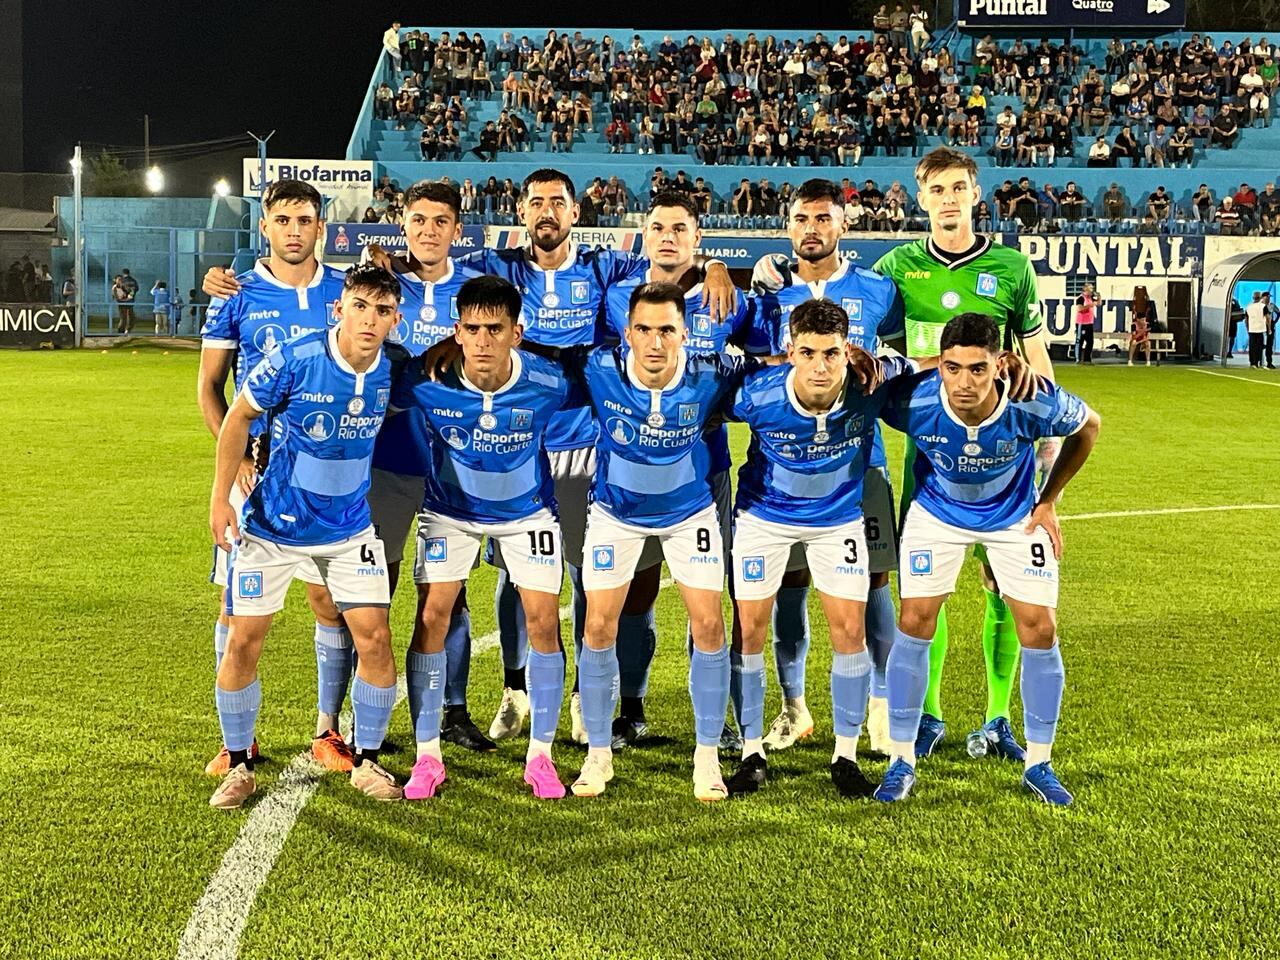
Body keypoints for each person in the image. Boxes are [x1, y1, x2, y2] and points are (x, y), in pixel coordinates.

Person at [449, 169, 735, 746]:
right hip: (517, 446)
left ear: (576, 212)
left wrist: (716, 266)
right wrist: (380, 259)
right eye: (536, 203)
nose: (547, 211)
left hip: (587, 448)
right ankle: (515, 689)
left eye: (558, 201)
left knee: (589, 579)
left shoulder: (608, 270)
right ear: (521, 210)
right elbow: (426, 266)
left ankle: (586, 695)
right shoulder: (495, 267)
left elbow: (669, 275)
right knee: (514, 577)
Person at [873, 147, 1057, 762]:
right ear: (919, 198)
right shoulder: (898, 268)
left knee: (1007, 589)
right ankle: (928, 715)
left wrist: (1048, 450)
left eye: (959, 188)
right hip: (930, 458)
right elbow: (889, 364)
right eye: (937, 190)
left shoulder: (1011, 266)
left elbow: (1037, 359)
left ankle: (999, 717)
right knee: (926, 590)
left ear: (977, 194)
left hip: (1007, 454)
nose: (949, 199)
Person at [873, 312, 1101, 806]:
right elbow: (866, 389)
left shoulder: (1030, 398)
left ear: (1000, 364)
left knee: (1039, 629)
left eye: (977, 369)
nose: (963, 382)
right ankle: (901, 760)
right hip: (937, 516)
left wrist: (1049, 499)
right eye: (952, 368)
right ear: (940, 366)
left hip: (1014, 518)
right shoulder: (916, 398)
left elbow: (1089, 427)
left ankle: (1039, 763)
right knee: (914, 622)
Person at [207, 264, 405, 810]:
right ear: (338, 309)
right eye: (359, 306)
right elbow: (239, 417)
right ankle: (239, 762)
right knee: (245, 639)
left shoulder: (395, 369)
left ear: (395, 319)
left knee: (376, 638)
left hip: (347, 531)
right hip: (273, 528)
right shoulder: (296, 358)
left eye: (382, 310)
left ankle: (366, 759)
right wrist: (220, 498)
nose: (369, 319)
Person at [392, 276, 586, 800]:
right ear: (455, 331)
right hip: (448, 511)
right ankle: (427, 754)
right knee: (432, 614)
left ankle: (540, 755)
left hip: (527, 514)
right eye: (471, 328)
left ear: (516, 334)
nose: (482, 340)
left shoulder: (550, 382)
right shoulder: (425, 377)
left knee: (543, 618)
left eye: (494, 329)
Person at [722, 299, 916, 798]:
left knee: (849, 631)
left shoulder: (869, 384)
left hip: (838, 522)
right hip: (763, 519)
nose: (820, 366)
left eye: (831, 353)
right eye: (807, 352)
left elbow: (928, 366)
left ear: (848, 351)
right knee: (749, 631)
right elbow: (705, 397)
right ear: (791, 350)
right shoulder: (757, 393)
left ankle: (845, 755)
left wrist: (1002, 361)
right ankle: (750, 752)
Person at [570, 282, 756, 801]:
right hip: (615, 513)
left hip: (688, 512)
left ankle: (706, 759)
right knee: (599, 624)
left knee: (710, 623)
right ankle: (598, 755)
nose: (655, 343)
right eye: (645, 330)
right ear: (628, 332)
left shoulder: (711, 372)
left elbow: (775, 370)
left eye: (667, 331)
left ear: (685, 333)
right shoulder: (598, 367)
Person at [197, 179, 355, 778]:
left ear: (321, 227)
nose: (294, 229)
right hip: (255, 474)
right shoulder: (235, 294)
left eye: (305, 219)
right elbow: (211, 388)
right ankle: (237, 740)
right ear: (264, 225)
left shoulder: (344, 292)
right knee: (235, 609)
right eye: (283, 219)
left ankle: (327, 730)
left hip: (323, 473)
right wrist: (231, 457)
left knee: (327, 601)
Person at [599, 192, 767, 749]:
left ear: (698, 238)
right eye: (657, 228)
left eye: (679, 228)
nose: (667, 237)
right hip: (629, 469)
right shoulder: (620, 294)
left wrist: (720, 271)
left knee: (707, 599)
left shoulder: (727, 299)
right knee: (635, 593)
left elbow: (765, 361)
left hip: (704, 468)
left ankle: (711, 717)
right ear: (644, 237)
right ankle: (630, 707)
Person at [748, 178, 907, 756]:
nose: (811, 229)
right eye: (800, 219)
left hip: (863, 467)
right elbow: (749, 363)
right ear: (788, 226)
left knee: (874, 584)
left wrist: (882, 359)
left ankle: (882, 707)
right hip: (784, 472)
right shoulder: (768, 294)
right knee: (788, 588)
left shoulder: (880, 291)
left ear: (843, 224)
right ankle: (794, 708)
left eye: (822, 218)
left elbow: (905, 360)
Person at [1075, 283, 1101, 364]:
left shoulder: (1091, 298)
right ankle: (1078, 359)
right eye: (1090, 288)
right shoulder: (1081, 298)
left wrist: (1099, 297)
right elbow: (1079, 309)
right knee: (1080, 341)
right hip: (1081, 323)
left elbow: (1098, 304)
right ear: (1085, 289)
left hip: (1089, 323)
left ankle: (1087, 359)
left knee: (1090, 342)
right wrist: (1089, 306)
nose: (1092, 290)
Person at [1128, 285, 1154, 366]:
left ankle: (1148, 361)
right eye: (1142, 320)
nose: (1144, 321)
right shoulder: (1134, 325)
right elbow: (1134, 337)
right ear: (1138, 320)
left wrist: (1142, 341)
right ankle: (1130, 360)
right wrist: (1142, 331)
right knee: (1133, 343)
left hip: (1143, 339)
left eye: (1144, 319)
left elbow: (1147, 337)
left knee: (1148, 343)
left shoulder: (1147, 325)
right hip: (1137, 339)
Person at [1245, 290, 1268, 368]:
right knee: (1259, 347)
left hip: (1252, 329)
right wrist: (1269, 328)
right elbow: (1267, 318)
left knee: (1252, 347)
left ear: (1253, 298)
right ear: (1260, 297)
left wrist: (1247, 328)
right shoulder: (1263, 306)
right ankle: (1258, 361)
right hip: (1261, 329)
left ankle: (1252, 362)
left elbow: (1246, 319)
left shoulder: (1248, 307)